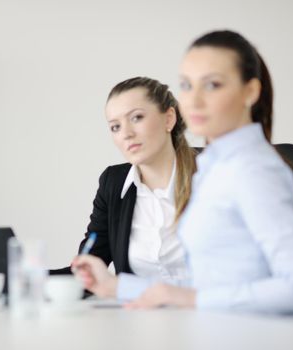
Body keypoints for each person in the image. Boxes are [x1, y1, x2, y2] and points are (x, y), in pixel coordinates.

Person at [74, 30, 293, 314]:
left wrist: (192, 300)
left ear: (250, 92)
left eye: (212, 85)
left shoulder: (253, 170)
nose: (193, 100)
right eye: (186, 85)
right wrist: (116, 287)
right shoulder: (213, 169)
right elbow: (215, 282)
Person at [53, 77, 197, 301]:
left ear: (169, 118)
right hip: (137, 324)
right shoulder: (113, 183)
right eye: (115, 127)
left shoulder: (212, 173)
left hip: (210, 319)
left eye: (137, 118)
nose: (126, 133)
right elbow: (88, 275)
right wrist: (17, 278)